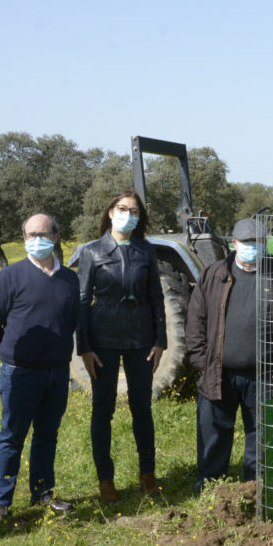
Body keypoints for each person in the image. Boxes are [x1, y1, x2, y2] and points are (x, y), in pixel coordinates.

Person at [188, 218, 273, 493]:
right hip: (219, 372)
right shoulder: (213, 275)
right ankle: (210, 485)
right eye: (246, 243)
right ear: (234, 244)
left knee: (260, 433)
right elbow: (195, 321)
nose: (252, 248)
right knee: (214, 432)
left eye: (257, 243)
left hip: (265, 373)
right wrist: (201, 362)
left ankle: (255, 486)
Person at [0, 214, 77, 519]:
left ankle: (42, 493)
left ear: (56, 236)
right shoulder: (8, 277)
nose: (36, 239)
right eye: (29, 234)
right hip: (19, 372)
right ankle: (1, 501)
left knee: (47, 434)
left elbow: (72, 320)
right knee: (12, 435)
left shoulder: (70, 279)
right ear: (24, 239)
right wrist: (9, 354)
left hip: (58, 371)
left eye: (42, 233)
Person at [76, 189, 166, 503]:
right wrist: (84, 347)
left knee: (143, 407)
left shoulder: (146, 251)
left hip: (141, 340)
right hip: (103, 342)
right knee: (103, 410)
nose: (129, 214)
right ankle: (106, 479)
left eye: (135, 211)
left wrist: (161, 340)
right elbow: (83, 301)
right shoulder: (91, 252)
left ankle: (148, 474)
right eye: (123, 208)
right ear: (111, 212)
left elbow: (156, 296)